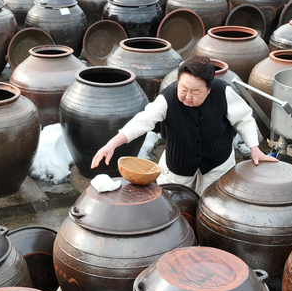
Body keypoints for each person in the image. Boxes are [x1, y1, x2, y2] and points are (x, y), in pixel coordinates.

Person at [92, 55, 277, 194]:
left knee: (212, 202)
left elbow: (243, 118)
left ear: (209, 89)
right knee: (173, 203)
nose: (188, 96)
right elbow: (143, 120)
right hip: (178, 162)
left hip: (218, 161)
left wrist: (254, 148)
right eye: (184, 89)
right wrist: (112, 144)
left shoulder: (223, 92)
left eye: (195, 91)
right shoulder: (168, 98)